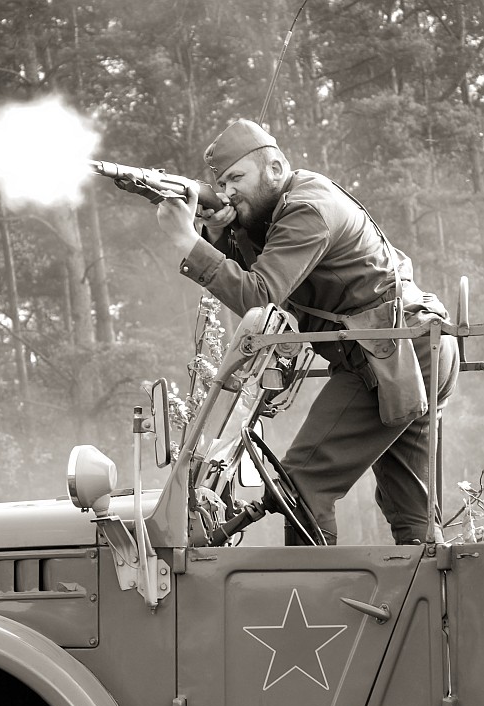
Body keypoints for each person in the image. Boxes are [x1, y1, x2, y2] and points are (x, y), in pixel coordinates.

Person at [156, 118, 459, 546]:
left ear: (275, 169)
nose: (227, 192)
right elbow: (260, 270)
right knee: (412, 515)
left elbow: (260, 294)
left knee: (299, 489)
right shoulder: (285, 209)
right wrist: (221, 232)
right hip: (416, 345)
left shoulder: (307, 210)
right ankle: (432, 589)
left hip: (392, 352)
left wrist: (187, 241)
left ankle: (310, 590)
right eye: (221, 183)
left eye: (237, 178)